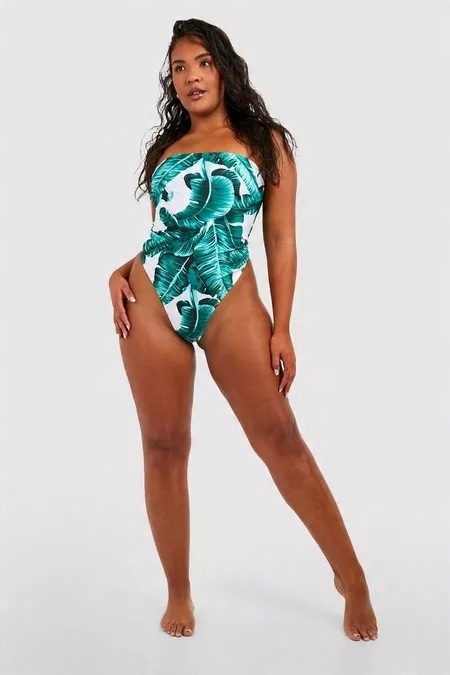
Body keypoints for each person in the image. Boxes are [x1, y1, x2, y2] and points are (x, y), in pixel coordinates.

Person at [108, 17, 378, 642]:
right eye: (179, 68)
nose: (191, 77)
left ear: (224, 69)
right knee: (163, 446)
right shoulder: (165, 151)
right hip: (151, 304)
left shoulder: (265, 141)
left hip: (231, 300)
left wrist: (283, 327)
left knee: (281, 439)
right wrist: (119, 271)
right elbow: (170, 232)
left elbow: (280, 239)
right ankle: (178, 590)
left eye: (202, 63)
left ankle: (353, 578)